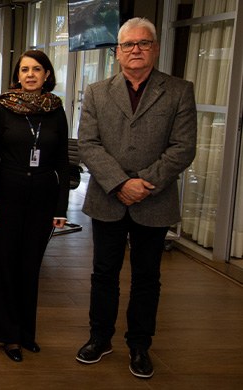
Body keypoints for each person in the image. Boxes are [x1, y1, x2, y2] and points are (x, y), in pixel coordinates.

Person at [75, 17, 197, 379]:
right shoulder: (97, 91)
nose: (136, 50)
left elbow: (183, 147)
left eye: (143, 43)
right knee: (103, 273)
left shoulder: (178, 91)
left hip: (153, 199)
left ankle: (140, 344)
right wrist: (119, 183)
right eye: (128, 44)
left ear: (155, 49)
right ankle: (100, 338)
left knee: (147, 277)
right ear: (118, 52)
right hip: (107, 198)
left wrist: (143, 182)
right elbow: (88, 144)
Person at [0, 50, 70, 363]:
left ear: (47, 74)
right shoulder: (3, 108)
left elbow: (63, 161)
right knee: (6, 266)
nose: (30, 75)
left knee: (30, 267)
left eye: (36, 69)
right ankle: (8, 335)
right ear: (17, 76)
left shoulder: (56, 109)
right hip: (6, 196)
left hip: (43, 199)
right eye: (24, 70)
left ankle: (26, 333)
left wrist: (61, 208)